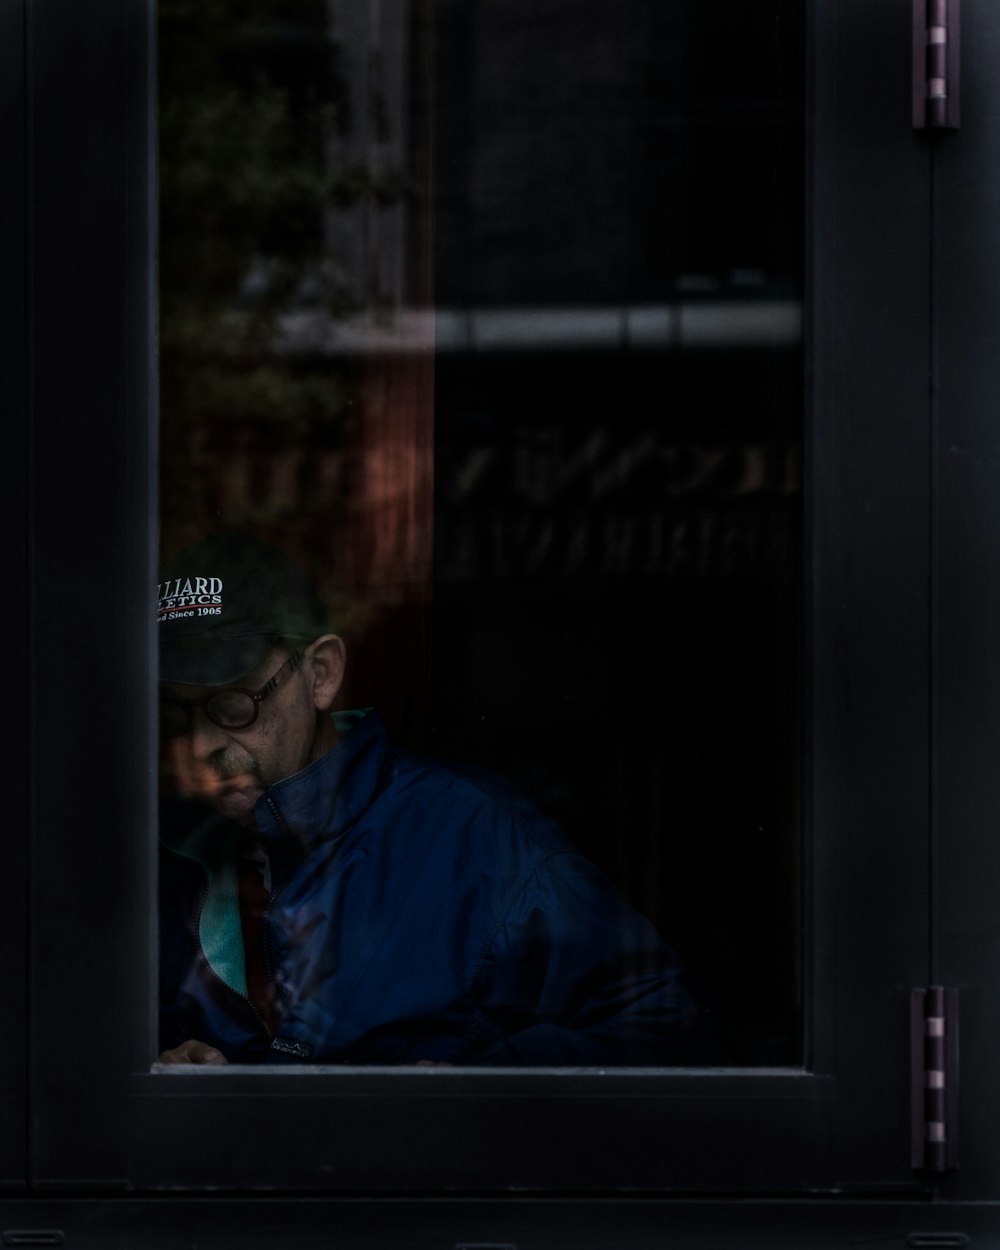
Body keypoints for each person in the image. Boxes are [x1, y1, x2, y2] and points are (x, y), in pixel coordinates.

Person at [157, 532, 714, 1065]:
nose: (202, 746)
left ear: (321, 674)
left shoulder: (480, 839)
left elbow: (667, 1028)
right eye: (177, 714)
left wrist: (478, 1091)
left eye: (233, 704)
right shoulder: (166, 853)